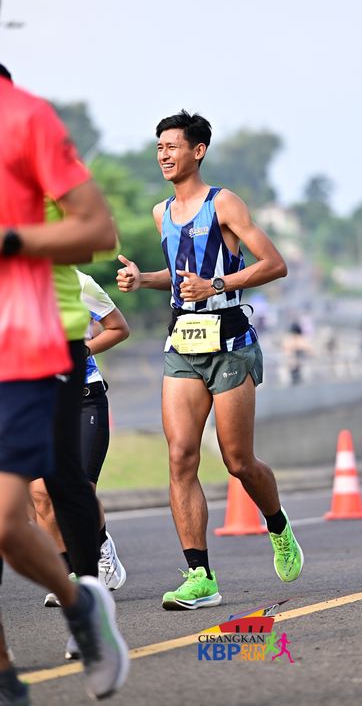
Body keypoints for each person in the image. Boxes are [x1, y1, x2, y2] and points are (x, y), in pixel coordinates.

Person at [116, 109, 304, 611]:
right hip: (183, 342)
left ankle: (278, 525)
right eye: (159, 147)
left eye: (172, 146)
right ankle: (200, 575)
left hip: (230, 342)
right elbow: (180, 276)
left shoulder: (224, 203)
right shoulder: (161, 212)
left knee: (238, 460)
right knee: (181, 456)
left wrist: (216, 284)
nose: (163, 155)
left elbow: (274, 264)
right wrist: (144, 278)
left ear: (197, 151)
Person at [0, 64, 128, 702]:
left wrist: (11, 240)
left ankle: (82, 602)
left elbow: (98, 233)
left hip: (36, 342)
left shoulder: (27, 121)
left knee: (33, 503)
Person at [32, 269, 128, 618]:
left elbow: (118, 328)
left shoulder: (79, 282)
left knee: (79, 490)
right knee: (41, 494)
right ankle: (68, 574)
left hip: (84, 397)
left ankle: (100, 549)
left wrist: (80, 350)